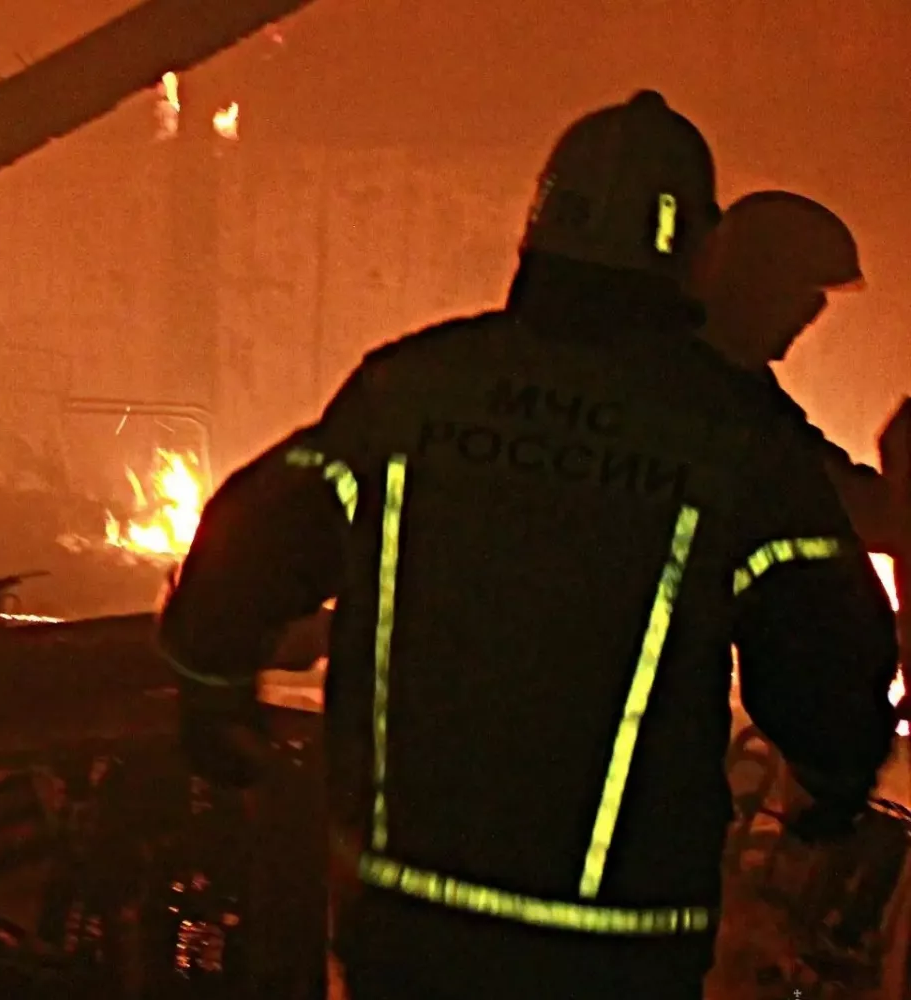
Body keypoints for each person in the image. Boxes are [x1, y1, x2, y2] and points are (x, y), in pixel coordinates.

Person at [157, 90, 899, 1000]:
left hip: (407, 922)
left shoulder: (412, 391)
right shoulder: (734, 439)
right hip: (614, 945)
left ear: (538, 228)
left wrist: (211, 692)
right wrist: (834, 779)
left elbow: (251, 541)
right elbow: (823, 637)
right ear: (698, 255)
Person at [691, 191, 895, 554]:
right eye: (803, 293)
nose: (813, 313)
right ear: (753, 282)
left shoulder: (747, 392)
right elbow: (849, 502)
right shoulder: (717, 401)